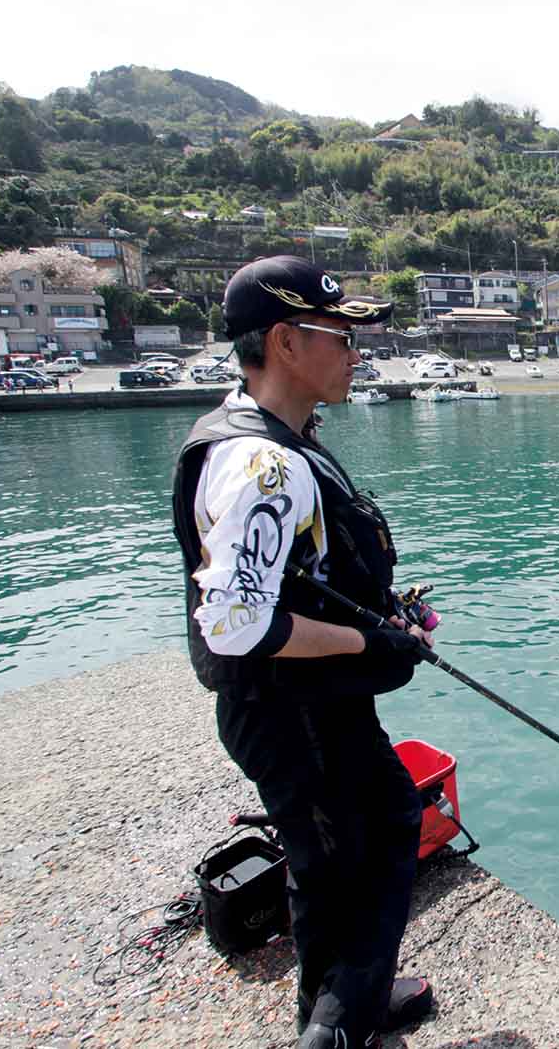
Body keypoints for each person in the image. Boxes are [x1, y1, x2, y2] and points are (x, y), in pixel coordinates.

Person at [170, 256, 437, 1048]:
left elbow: (293, 579)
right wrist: (372, 638)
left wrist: (390, 612)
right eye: (341, 336)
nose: (358, 352)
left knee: (350, 853)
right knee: (361, 861)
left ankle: (351, 999)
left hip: (310, 706)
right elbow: (237, 625)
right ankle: (337, 1029)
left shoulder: (269, 432)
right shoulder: (264, 464)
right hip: (294, 717)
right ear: (286, 341)